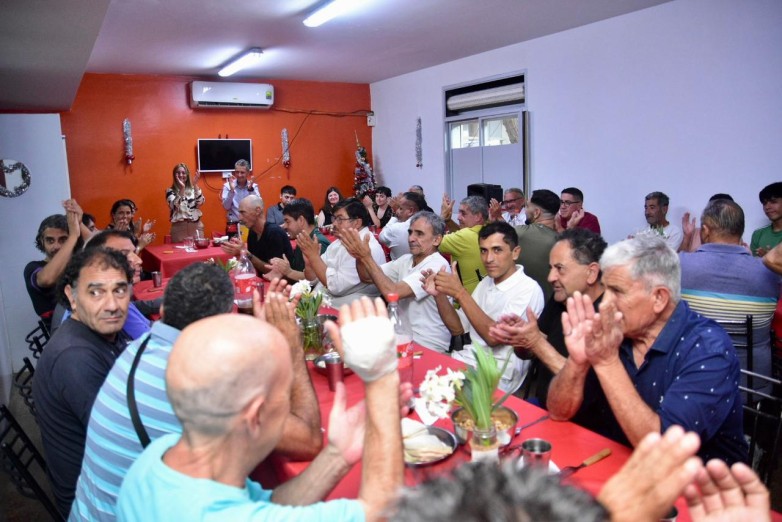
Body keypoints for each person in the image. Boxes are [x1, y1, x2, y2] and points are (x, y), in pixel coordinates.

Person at [70, 266, 323, 522]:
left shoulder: (140, 348)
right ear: (224, 323)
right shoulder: (201, 378)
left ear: (162, 312)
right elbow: (308, 442)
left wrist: (253, 340)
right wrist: (289, 345)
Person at [116, 297, 405, 522]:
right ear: (256, 415)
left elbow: (269, 507)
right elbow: (379, 510)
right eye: (285, 393)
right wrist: (380, 376)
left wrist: (336, 456)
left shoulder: (161, 455)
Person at [547, 236, 747, 465]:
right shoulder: (617, 332)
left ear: (659, 298)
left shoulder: (708, 349)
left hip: (699, 488)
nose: (603, 304)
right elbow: (558, 412)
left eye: (617, 291)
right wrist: (577, 361)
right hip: (616, 462)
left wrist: (606, 362)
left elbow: (663, 453)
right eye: (605, 289)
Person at [33, 248, 134, 517]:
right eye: (96, 292)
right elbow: (127, 447)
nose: (112, 304)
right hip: (97, 504)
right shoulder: (74, 357)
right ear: (71, 295)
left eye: (120, 290)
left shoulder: (101, 331)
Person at [424, 222, 545, 393]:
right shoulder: (485, 283)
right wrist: (440, 296)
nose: (488, 259)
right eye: (483, 250)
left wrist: (460, 293)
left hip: (497, 375)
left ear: (515, 252)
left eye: (497, 250)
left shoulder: (528, 289)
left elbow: (493, 337)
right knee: (417, 376)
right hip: (467, 361)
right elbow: (457, 328)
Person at [491, 228, 606, 407]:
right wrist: (522, 340)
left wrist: (536, 342)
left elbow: (587, 388)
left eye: (560, 269)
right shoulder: (561, 297)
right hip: (545, 404)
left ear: (591, 273)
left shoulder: (610, 317)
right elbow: (535, 347)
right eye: (551, 268)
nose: (550, 277)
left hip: (582, 422)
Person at [679, 199, 779, 385]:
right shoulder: (770, 272)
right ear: (740, 232)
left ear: (706, 231)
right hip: (752, 386)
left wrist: (687, 240)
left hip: (692, 384)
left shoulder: (680, 265)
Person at [342, 211, 452, 352]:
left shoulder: (437, 264)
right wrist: (359, 257)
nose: (411, 238)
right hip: (401, 336)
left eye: (419, 234)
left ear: (437, 240)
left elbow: (392, 293)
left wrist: (366, 258)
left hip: (426, 343)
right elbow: (366, 277)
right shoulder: (406, 260)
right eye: (410, 232)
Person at [300, 197, 386, 306]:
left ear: (357, 223)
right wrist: (309, 264)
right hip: (326, 299)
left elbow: (336, 287)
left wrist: (314, 258)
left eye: (340, 219)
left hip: (351, 307)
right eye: (334, 218)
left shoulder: (365, 247)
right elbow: (313, 279)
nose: (334, 224)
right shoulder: (339, 242)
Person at [25, 201, 83, 328]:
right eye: (50, 240)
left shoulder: (78, 262)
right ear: (41, 241)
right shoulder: (33, 267)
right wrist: (73, 236)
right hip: (65, 333)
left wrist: (79, 222)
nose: (56, 246)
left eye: (63, 239)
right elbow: (47, 279)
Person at [221, 195, 293, 275]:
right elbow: (253, 266)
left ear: (258, 211)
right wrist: (239, 254)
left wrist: (245, 253)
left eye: (243, 212)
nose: (240, 218)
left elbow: (275, 272)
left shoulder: (274, 232)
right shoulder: (252, 233)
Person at [513, 189, 560, 300]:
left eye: (527, 206)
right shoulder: (562, 241)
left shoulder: (520, 233)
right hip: (550, 308)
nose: (525, 211)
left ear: (537, 212)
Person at [268, 198, 330, 282]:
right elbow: (298, 270)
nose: (284, 226)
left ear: (301, 220)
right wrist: (282, 270)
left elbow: (318, 279)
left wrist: (289, 272)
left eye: (288, 221)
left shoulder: (318, 242)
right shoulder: (302, 239)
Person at [439, 194, 488, 294]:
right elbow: (463, 232)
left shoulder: (463, 237)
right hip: (485, 296)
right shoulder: (489, 229)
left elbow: (430, 241)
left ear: (478, 216)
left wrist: (442, 217)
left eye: (463, 213)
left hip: (466, 300)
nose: (458, 217)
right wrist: (448, 221)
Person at [378, 191, 426, 260]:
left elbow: (381, 237)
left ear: (410, 211)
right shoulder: (430, 226)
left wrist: (395, 216)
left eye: (400, 208)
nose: (397, 211)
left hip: (400, 269)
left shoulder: (396, 228)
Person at [165, 163, 204, 242]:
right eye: (178, 173)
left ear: (187, 175)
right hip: (179, 228)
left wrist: (195, 184)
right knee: (180, 253)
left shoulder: (193, 189)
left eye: (183, 172)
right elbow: (175, 206)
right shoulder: (170, 191)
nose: (181, 175)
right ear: (174, 175)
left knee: (199, 252)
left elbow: (200, 202)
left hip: (196, 227)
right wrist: (182, 188)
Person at [220, 159, 261, 224]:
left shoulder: (253, 186)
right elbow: (226, 207)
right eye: (237, 172)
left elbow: (258, 205)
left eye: (242, 172)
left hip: (251, 224)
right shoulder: (227, 186)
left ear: (248, 173)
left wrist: (251, 190)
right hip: (234, 224)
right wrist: (232, 191)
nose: (239, 175)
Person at [750, 182, 782, 256]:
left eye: (773, 202)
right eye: (764, 203)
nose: (767, 207)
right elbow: (753, 265)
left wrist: (768, 259)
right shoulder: (758, 234)